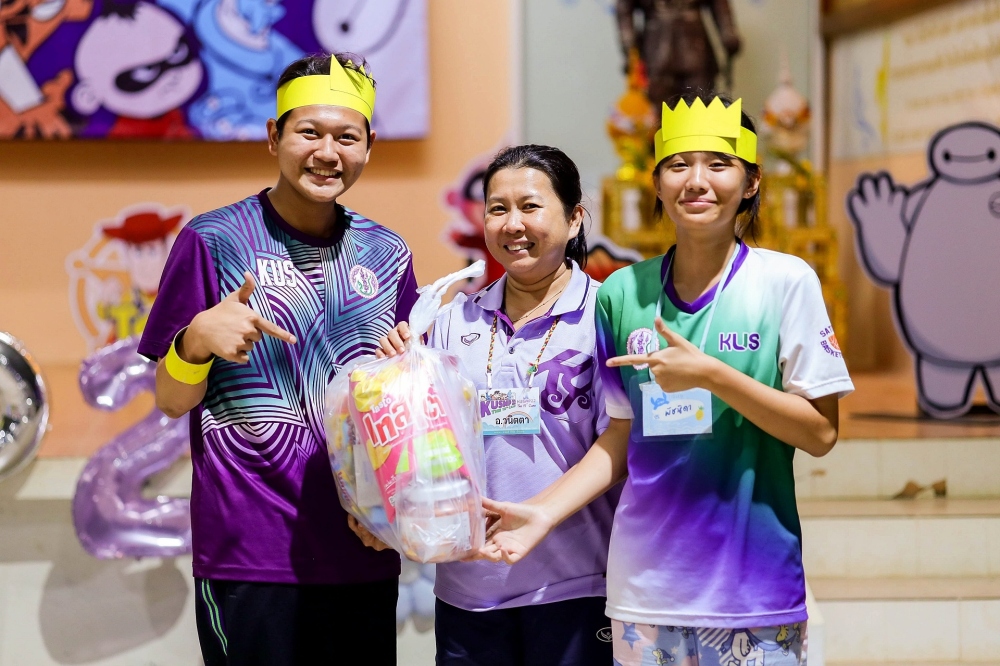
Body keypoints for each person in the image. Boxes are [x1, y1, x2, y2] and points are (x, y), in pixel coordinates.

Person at [481, 95, 854, 666]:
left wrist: (713, 376)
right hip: (643, 594)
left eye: (719, 165)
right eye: (678, 165)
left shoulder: (785, 282)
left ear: (751, 182)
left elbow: (821, 433)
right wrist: (543, 512)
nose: (696, 181)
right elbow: (618, 439)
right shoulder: (622, 293)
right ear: (656, 183)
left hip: (753, 591)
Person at [138, 53, 418, 666]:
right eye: (309, 132)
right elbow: (170, 399)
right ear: (274, 136)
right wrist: (195, 341)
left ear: (370, 146)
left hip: (362, 547)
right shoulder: (212, 240)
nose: (328, 153)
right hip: (249, 551)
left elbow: (403, 409)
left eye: (347, 137)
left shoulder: (388, 253)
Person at [375, 145, 620, 665]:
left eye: (530, 207)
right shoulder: (452, 320)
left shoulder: (606, 313)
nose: (512, 224)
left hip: (575, 586)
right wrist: (397, 371)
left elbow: (619, 444)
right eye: (497, 208)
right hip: (468, 590)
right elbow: (422, 441)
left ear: (575, 219)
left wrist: (540, 515)